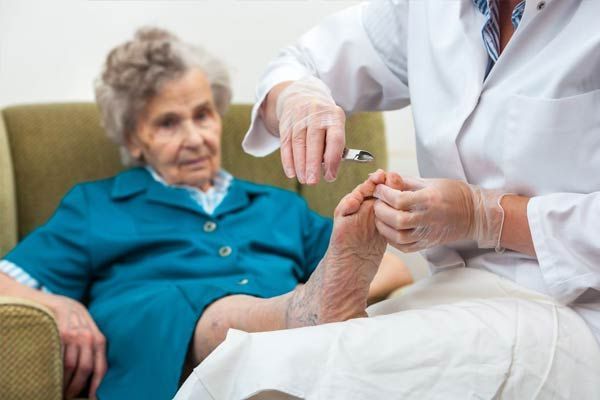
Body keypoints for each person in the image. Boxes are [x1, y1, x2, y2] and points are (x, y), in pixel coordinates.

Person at [176, 0, 600, 398]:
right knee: (244, 367)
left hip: (575, 308)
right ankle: (309, 308)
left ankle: (307, 310)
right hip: (454, 296)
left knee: (275, 374)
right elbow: (299, 63)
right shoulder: (431, 9)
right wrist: (297, 99)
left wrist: (490, 216)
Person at [0, 28, 412, 399]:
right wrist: (55, 305)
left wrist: (327, 285)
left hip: (282, 361)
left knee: (289, 362)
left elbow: (393, 270)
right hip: (158, 350)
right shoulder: (96, 206)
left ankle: (298, 316)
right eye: (168, 123)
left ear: (218, 116)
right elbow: (5, 281)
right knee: (214, 314)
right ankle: (296, 313)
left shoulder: (278, 206)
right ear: (133, 138)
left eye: (202, 115)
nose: (194, 137)